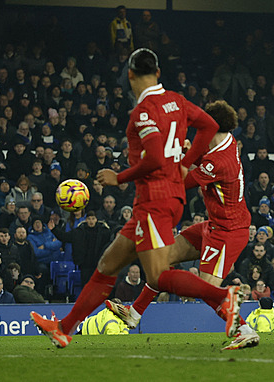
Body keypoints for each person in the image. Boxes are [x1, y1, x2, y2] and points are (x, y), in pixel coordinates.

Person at [31, 48, 239, 349]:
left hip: (155, 198)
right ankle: (64, 328)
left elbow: (154, 156)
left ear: (129, 75)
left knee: (159, 274)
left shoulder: (143, 112)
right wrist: (184, 163)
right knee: (108, 264)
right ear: (157, 72)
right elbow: (208, 126)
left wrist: (120, 177)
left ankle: (224, 297)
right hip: (160, 199)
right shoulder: (177, 101)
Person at [105, 99, 259, 350]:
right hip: (215, 224)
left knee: (207, 290)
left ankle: (245, 329)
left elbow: (180, 182)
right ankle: (134, 313)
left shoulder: (218, 162)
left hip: (228, 232)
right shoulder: (227, 143)